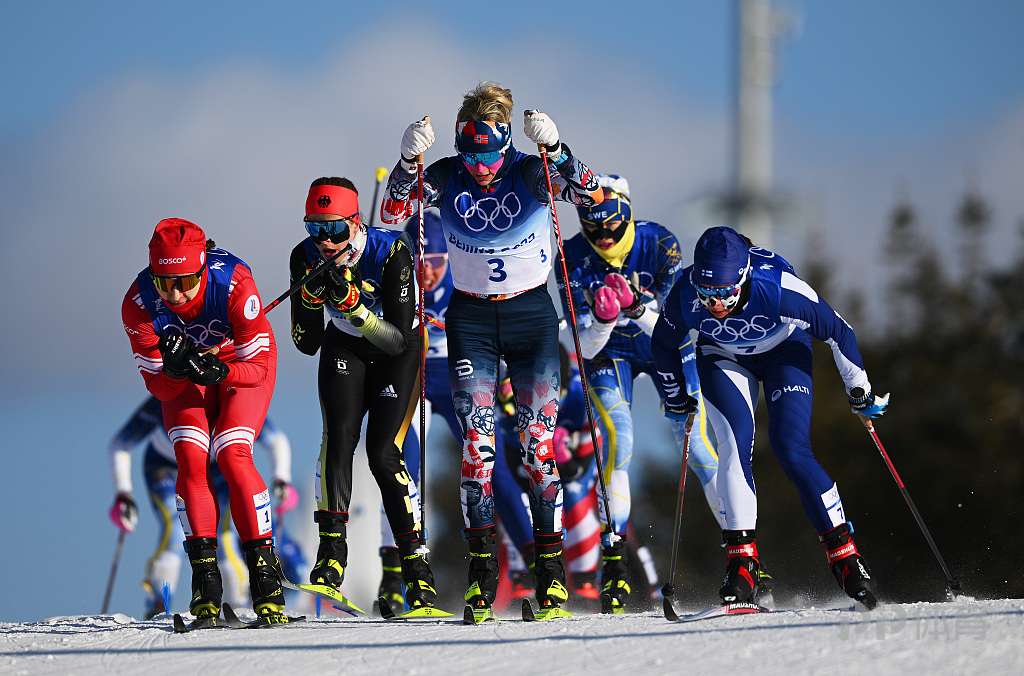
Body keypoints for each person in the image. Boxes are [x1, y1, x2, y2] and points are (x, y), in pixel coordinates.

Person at [382, 81, 604, 615]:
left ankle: (551, 573)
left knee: (536, 446)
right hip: (473, 320)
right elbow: (391, 215)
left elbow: (592, 197)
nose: (480, 167)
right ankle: (483, 574)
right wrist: (408, 162)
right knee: (477, 452)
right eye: (471, 154)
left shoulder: (529, 171)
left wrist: (559, 149)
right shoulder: (445, 176)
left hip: (530, 316)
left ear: (506, 144)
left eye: (489, 154)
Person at [652, 226, 888, 609]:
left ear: (743, 278)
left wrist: (858, 389)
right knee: (732, 448)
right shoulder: (684, 294)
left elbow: (838, 331)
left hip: (784, 352)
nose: (715, 304)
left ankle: (845, 556)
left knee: (791, 448)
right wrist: (676, 397)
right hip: (723, 357)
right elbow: (663, 343)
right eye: (707, 294)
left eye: (725, 294)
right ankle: (743, 564)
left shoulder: (776, 285)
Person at [557, 174, 725, 612]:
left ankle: (741, 553)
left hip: (664, 345)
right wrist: (605, 317)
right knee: (619, 441)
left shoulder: (661, 244)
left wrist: (635, 307)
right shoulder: (570, 256)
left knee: (699, 448)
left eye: (614, 227)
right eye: (595, 230)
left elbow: (673, 326)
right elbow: (581, 346)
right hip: (610, 353)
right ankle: (613, 562)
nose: (606, 237)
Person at [120, 218, 289, 624]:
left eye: (183, 282)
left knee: (232, 453)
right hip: (183, 378)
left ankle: (265, 579)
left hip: (239, 367)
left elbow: (259, 369)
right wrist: (176, 371)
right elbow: (157, 387)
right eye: (164, 282)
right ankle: (205, 581)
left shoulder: (233, 283)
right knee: (191, 457)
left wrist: (219, 372)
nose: (174, 294)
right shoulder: (139, 303)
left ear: (200, 269)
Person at [289, 177, 438, 610]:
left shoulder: (391, 251)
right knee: (337, 441)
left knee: (382, 454)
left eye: (334, 230)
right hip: (345, 346)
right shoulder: (304, 257)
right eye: (315, 229)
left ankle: (416, 572)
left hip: (396, 350)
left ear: (355, 222)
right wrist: (313, 300)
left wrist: (355, 307)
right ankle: (331, 562)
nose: (324, 241)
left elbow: (395, 337)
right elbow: (306, 341)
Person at [107, 396, 298, 617]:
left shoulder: (231, 396)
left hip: (217, 468)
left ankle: (235, 602)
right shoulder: (165, 398)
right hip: (167, 468)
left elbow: (276, 440)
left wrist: (282, 479)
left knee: (224, 534)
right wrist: (123, 494)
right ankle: (159, 602)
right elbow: (120, 445)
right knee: (175, 531)